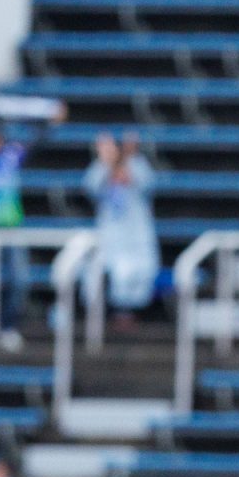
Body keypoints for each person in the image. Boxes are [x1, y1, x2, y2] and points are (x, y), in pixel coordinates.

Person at [0, 97, 64, 354]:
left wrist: (51, 122)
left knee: (19, 279)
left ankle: (8, 327)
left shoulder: (10, 157)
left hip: (12, 228)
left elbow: (37, 141)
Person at [82, 131, 157, 330]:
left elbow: (148, 183)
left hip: (137, 235)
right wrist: (106, 159)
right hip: (111, 236)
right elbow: (90, 186)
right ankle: (110, 315)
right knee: (101, 274)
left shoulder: (137, 169)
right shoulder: (103, 173)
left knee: (140, 274)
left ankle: (132, 314)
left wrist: (131, 157)